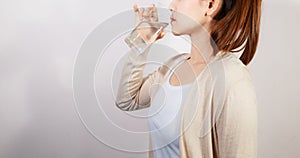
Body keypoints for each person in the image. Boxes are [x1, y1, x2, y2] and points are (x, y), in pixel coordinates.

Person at [115, 0, 261, 157]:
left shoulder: (233, 79)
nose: (171, 6)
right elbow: (127, 100)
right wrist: (142, 41)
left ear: (210, 5)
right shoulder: (174, 65)